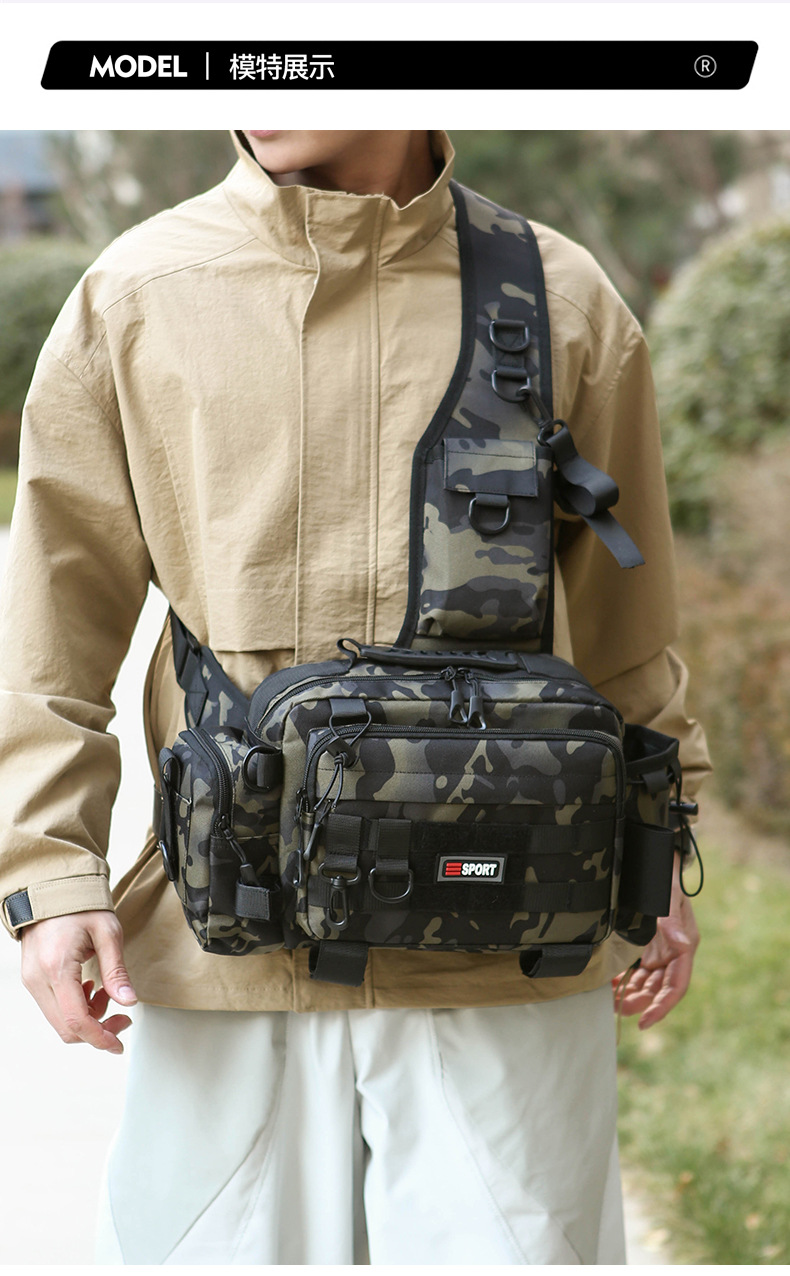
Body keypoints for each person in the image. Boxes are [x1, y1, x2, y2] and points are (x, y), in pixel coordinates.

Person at [0, 130, 711, 1265]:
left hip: (508, 948)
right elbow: (52, 620)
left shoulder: (560, 294)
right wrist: (48, 872)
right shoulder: (140, 292)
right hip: (231, 943)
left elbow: (630, 631)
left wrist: (662, 839)